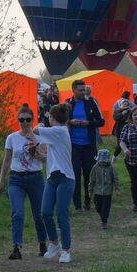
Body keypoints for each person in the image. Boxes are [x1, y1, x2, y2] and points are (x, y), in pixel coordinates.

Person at [0, 104, 46, 260]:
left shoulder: (39, 136)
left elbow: (45, 158)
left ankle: (42, 243)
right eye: (21, 119)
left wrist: (34, 141)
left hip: (35, 177)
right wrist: (1, 180)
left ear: (32, 120)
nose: (24, 123)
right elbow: (7, 160)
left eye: (28, 119)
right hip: (16, 178)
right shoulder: (12, 138)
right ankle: (16, 247)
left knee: (39, 214)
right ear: (18, 120)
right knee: (17, 212)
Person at [36, 104, 76, 263]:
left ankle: (66, 250)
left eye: (49, 117)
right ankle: (54, 243)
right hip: (52, 177)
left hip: (66, 178)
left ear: (52, 118)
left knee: (61, 214)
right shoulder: (55, 134)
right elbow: (46, 149)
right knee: (45, 212)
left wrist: (39, 124)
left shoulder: (60, 131)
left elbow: (35, 131)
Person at [66, 79, 105, 212]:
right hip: (73, 146)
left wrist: (88, 123)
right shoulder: (67, 104)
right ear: (73, 90)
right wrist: (70, 122)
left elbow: (101, 121)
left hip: (89, 145)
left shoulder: (91, 102)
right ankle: (77, 205)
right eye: (80, 90)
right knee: (75, 175)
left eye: (84, 90)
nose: (83, 92)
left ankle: (88, 201)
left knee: (89, 174)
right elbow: (59, 121)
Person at [88, 149, 119, 229]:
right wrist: (90, 190)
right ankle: (102, 214)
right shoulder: (95, 168)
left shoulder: (111, 168)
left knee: (105, 208)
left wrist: (117, 189)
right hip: (97, 191)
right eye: (101, 162)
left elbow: (115, 179)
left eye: (104, 162)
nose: (102, 163)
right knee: (98, 207)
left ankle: (104, 222)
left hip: (107, 192)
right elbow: (92, 180)